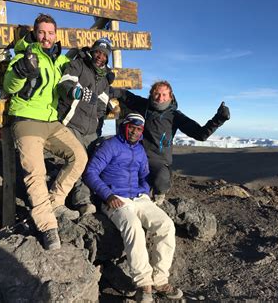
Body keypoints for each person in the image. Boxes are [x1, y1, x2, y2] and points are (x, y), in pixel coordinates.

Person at [3, 13, 87, 250]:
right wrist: (21, 71)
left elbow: (68, 83)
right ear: (35, 33)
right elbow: (9, 85)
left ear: (55, 34)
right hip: (27, 119)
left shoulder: (60, 62)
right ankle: (47, 226)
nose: (46, 37)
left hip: (52, 121)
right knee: (36, 173)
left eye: (50, 33)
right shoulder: (25, 55)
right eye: (42, 32)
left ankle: (56, 201)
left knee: (79, 157)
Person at [83, 113, 183, 302]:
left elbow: (144, 175)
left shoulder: (139, 150)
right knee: (134, 227)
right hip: (116, 198)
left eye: (139, 130)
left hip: (140, 198)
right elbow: (91, 172)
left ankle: (160, 280)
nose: (135, 132)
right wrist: (107, 195)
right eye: (132, 128)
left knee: (167, 225)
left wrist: (145, 192)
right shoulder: (110, 146)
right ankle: (144, 284)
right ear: (124, 126)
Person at [112, 81, 230, 205]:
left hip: (159, 160)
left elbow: (200, 134)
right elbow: (124, 94)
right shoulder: (143, 105)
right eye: (157, 94)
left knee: (161, 179)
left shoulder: (175, 116)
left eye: (164, 94)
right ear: (151, 94)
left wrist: (219, 119)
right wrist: (107, 89)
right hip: (137, 155)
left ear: (170, 96)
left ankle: (158, 200)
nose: (160, 98)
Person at [57, 37, 115, 215]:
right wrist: (76, 92)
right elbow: (64, 84)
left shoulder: (105, 79)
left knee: (94, 162)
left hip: (91, 128)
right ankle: (81, 201)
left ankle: (93, 196)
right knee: (80, 158)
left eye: (104, 55)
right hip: (71, 121)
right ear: (92, 51)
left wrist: (102, 117)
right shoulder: (79, 65)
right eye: (98, 52)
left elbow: (101, 105)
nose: (100, 56)